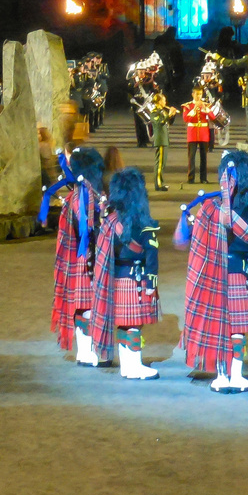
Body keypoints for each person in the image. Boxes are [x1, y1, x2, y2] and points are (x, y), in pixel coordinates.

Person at [176, 150, 248, 392]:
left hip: (214, 273)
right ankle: (235, 376)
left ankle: (222, 376)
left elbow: (187, 241)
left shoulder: (212, 207)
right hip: (239, 275)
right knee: (237, 331)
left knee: (220, 327)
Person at [89, 167, 162, 380]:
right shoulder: (144, 223)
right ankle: (135, 366)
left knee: (123, 323)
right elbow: (151, 256)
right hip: (136, 280)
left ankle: (126, 366)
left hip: (116, 280)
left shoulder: (110, 222)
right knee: (134, 325)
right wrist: (151, 282)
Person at [51, 147, 106, 366]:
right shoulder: (85, 196)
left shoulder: (77, 192)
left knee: (83, 305)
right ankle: (86, 351)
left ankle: (86, 350)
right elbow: (90, 230)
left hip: (75, 258)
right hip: (86, 258)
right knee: (87, 306)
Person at [181, 87, 212, 185]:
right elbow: (186, 119)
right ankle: (191, 177)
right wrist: (195, 108)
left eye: (200, 94)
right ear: (193, 94)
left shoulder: (206, 105)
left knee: (204, 157)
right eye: (197, 94)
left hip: (203, 133)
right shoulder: (187, 106)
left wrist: (206, 109)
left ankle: (203, 178)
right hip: (192, 133)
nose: (199, 96)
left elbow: (213, 117)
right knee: (191, 157)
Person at [148, 93, 178, 191]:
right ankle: (158, 184)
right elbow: (159, 123)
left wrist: (172, 115)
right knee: (159, 164)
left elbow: (168, 122)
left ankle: (161, 182)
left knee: (163, 164)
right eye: (164, 100)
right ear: (159, 101)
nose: (165, 102)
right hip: (160, 140)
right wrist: (168, 115)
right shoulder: (154, 112)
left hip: (164, 139)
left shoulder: (162, 111)